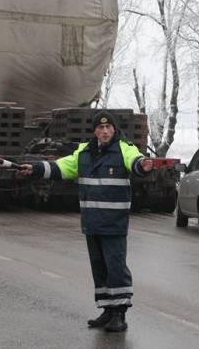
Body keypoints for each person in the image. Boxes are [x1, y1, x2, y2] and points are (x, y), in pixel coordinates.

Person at [19, 110, 153, 333]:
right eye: (100, 128)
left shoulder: (124, 149)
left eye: (108, 127)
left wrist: (143, 165)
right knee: (99, 268)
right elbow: (62, 166)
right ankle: (107, 310)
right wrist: (36, 168)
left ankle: (119, 314)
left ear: (114, 129)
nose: (104, 131)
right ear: (95, 131)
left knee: (116, 268)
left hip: (113, 223)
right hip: (91, 223)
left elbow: (135, 161)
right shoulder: (84, 152)